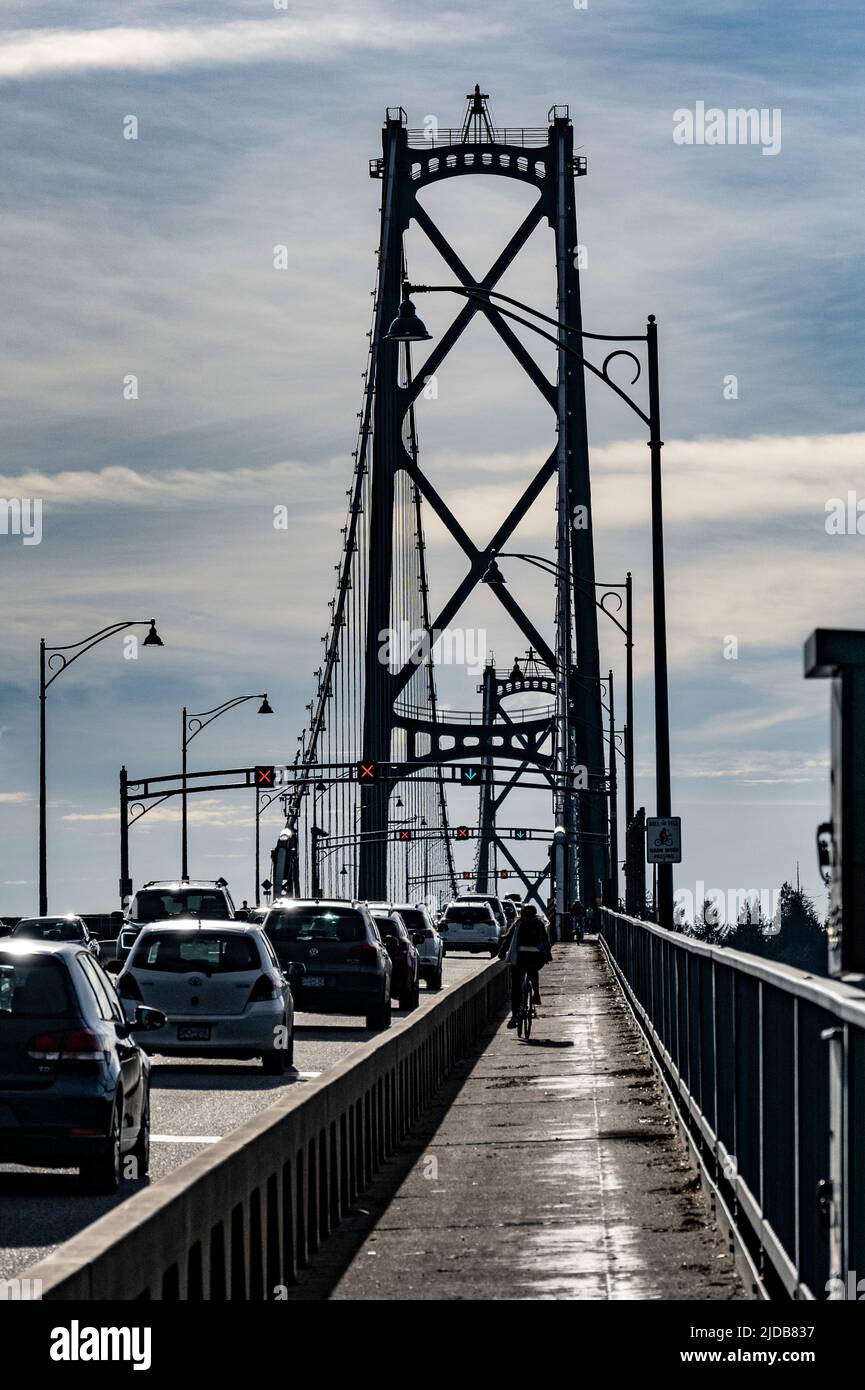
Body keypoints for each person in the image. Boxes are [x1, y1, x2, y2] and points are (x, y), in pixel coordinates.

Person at [498, 903, 552, 1029]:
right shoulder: (539, 924)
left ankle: (515, 1015)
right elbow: (545, 940)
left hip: (520, 956)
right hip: (536, 956)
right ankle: (537, 995)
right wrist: (548, 955)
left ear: (522, 913)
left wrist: (501, 954)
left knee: (517, 986)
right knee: (533, 970)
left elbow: (508, 939)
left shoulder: (518, 923)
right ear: (535, 913)